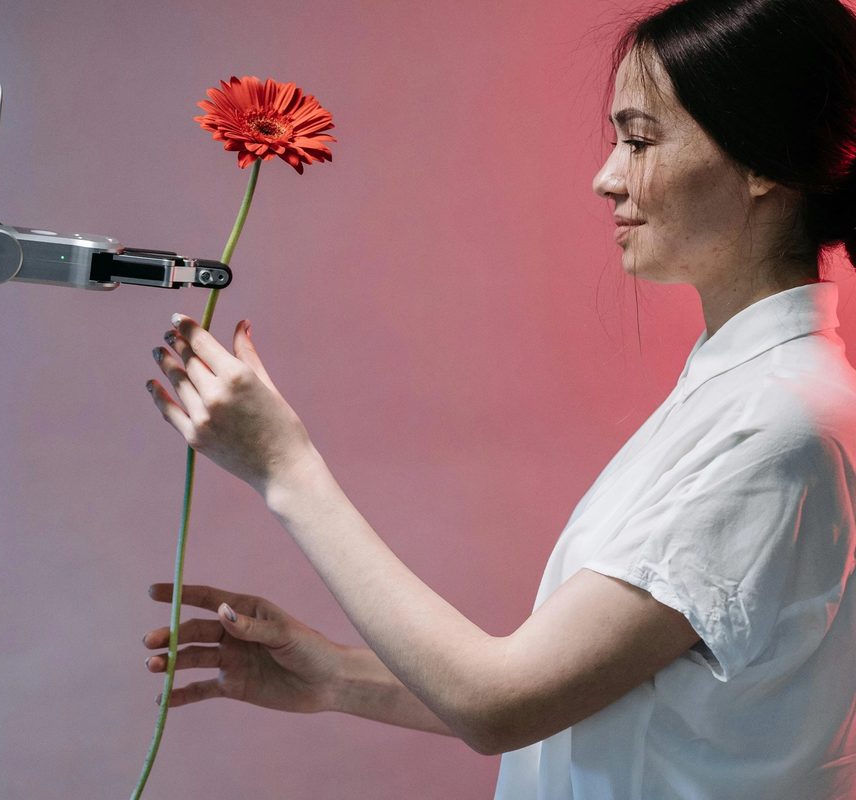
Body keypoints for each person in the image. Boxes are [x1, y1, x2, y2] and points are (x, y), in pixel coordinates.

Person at [141, 0, 856, 796]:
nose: (606, 177)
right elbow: (571, 691)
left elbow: (500, 703)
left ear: (764, 162)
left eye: (639, 140)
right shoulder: (741, 395)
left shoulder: (778, 427)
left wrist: (285, 468)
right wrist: (337, 676)